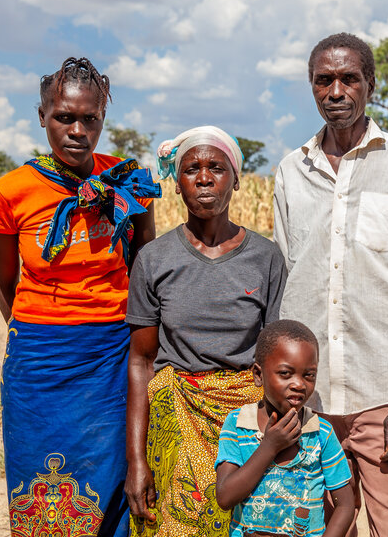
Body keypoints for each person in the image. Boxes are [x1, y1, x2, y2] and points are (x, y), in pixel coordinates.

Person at [272, 33, 388, 536]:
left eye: (348, 78)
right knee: (323, 528)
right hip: (310, 398)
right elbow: (286, 286)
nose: (336, 90)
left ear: (370, 85)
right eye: (323, 80)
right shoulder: (292, 171)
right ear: (311, 87)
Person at [0, 57, 159, 536]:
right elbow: (5, 284)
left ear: (103, 118)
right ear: (42, 116)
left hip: (113, 354)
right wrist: (43, 328)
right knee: (41, 475)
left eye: (90, 118)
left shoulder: (126, 183)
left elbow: (144, 268)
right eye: (64, 117)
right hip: (40, 360)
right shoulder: (9, 193)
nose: (77, 130)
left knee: (118, 474)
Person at [125, 126, 287, 536]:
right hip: (176, 413)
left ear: (235, 179)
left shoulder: (265, 258)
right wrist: (137, 461)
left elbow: (275, 357)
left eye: (215, 167)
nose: (203, 177)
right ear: (177, 185)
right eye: (191, 169)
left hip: (246, 421)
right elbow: (142, 361)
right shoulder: (154, 259)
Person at [215, 320, 355, 537]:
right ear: (258, 375)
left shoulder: (320, 433)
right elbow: (225, 497)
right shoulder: (238, 424)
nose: (299, 384)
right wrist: (269, 447)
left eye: (309, 375)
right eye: (286, 373)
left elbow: (345, 506)